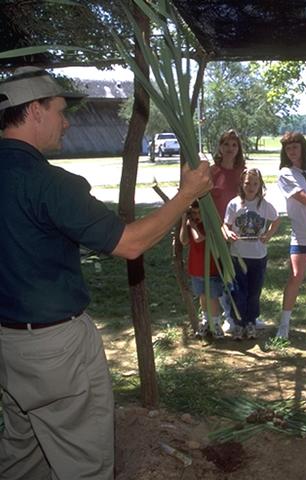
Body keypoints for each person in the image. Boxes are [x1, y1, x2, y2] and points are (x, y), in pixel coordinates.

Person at [0, 67, 212, 479]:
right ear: (33, 112)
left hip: (8, 346)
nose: (67, 121)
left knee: (21, 455)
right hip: (54, 350)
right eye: (60, 111)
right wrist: (187, 194)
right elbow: (130, 243)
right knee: (85, 463)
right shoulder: (51, 183)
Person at [275, 132, 306, 339]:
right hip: (301, 235)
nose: (292, 151)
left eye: (295, 147)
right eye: (288, 148)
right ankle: (284, 324)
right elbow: (302, 198)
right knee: (295, 278)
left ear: (303, 147)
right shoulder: (285, 173)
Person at [224, 168, 281, 340]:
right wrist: (227, 234)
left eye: (255, 183)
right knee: (238, 291)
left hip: (258, 257)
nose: (251, 187)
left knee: (254, 291)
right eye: (248, 183)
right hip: (238, 256)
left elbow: (276, 220)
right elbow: (225, 225)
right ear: (242, 183)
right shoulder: (234, 204)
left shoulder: (264, 205)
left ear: (260, 185)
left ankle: (251, 322)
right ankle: (238, 324)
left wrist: (268, 235)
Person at [210, 129, 245, 332]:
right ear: (220, 148)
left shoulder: (243, 172)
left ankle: (245, 314)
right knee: (223, 275)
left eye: (234, 145)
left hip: (240, 232)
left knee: (239, 274)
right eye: (226, 145)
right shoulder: (212, 172)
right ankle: (227, 316)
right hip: (218, 232)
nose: (230, 149)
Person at [180, 201, 225, 339]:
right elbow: (184, 241)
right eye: (194, 213)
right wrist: (183, 222)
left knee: (212, 297)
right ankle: (206, 320)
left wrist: (192, 226)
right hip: (196, 269)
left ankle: (216, 324)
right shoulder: (191, 225)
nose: (197, 216)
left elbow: (199, 238)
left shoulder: (209, 225)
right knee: (203, 296)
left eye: (199, 213)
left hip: (211, 268)